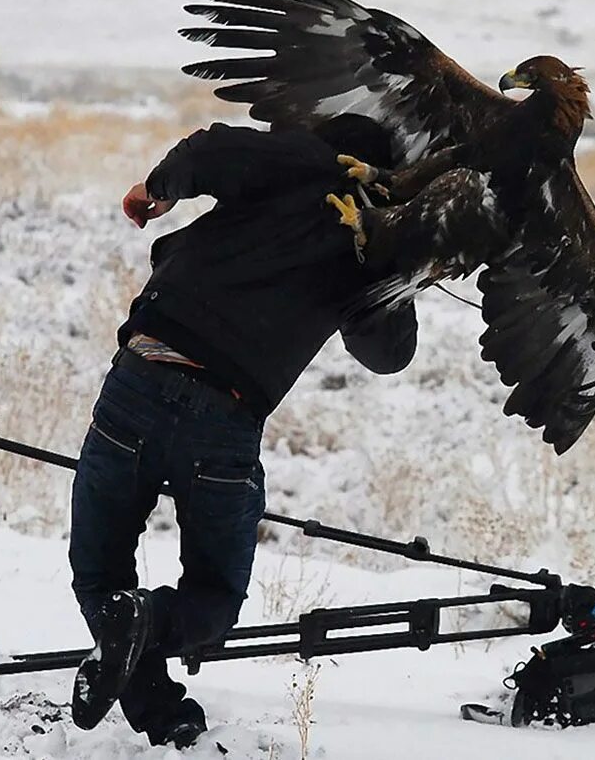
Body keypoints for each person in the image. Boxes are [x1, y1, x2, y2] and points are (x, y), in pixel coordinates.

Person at [68, 114, 417, 749]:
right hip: (223, 420)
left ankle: (137, 652)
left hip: (139, 380)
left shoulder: (295, 160)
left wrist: (160, 186)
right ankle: (154, 687)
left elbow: (213, 149)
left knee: (98, 572)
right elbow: (389, 353)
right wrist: (391, 259)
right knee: (214, 599)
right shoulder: (369, 233)